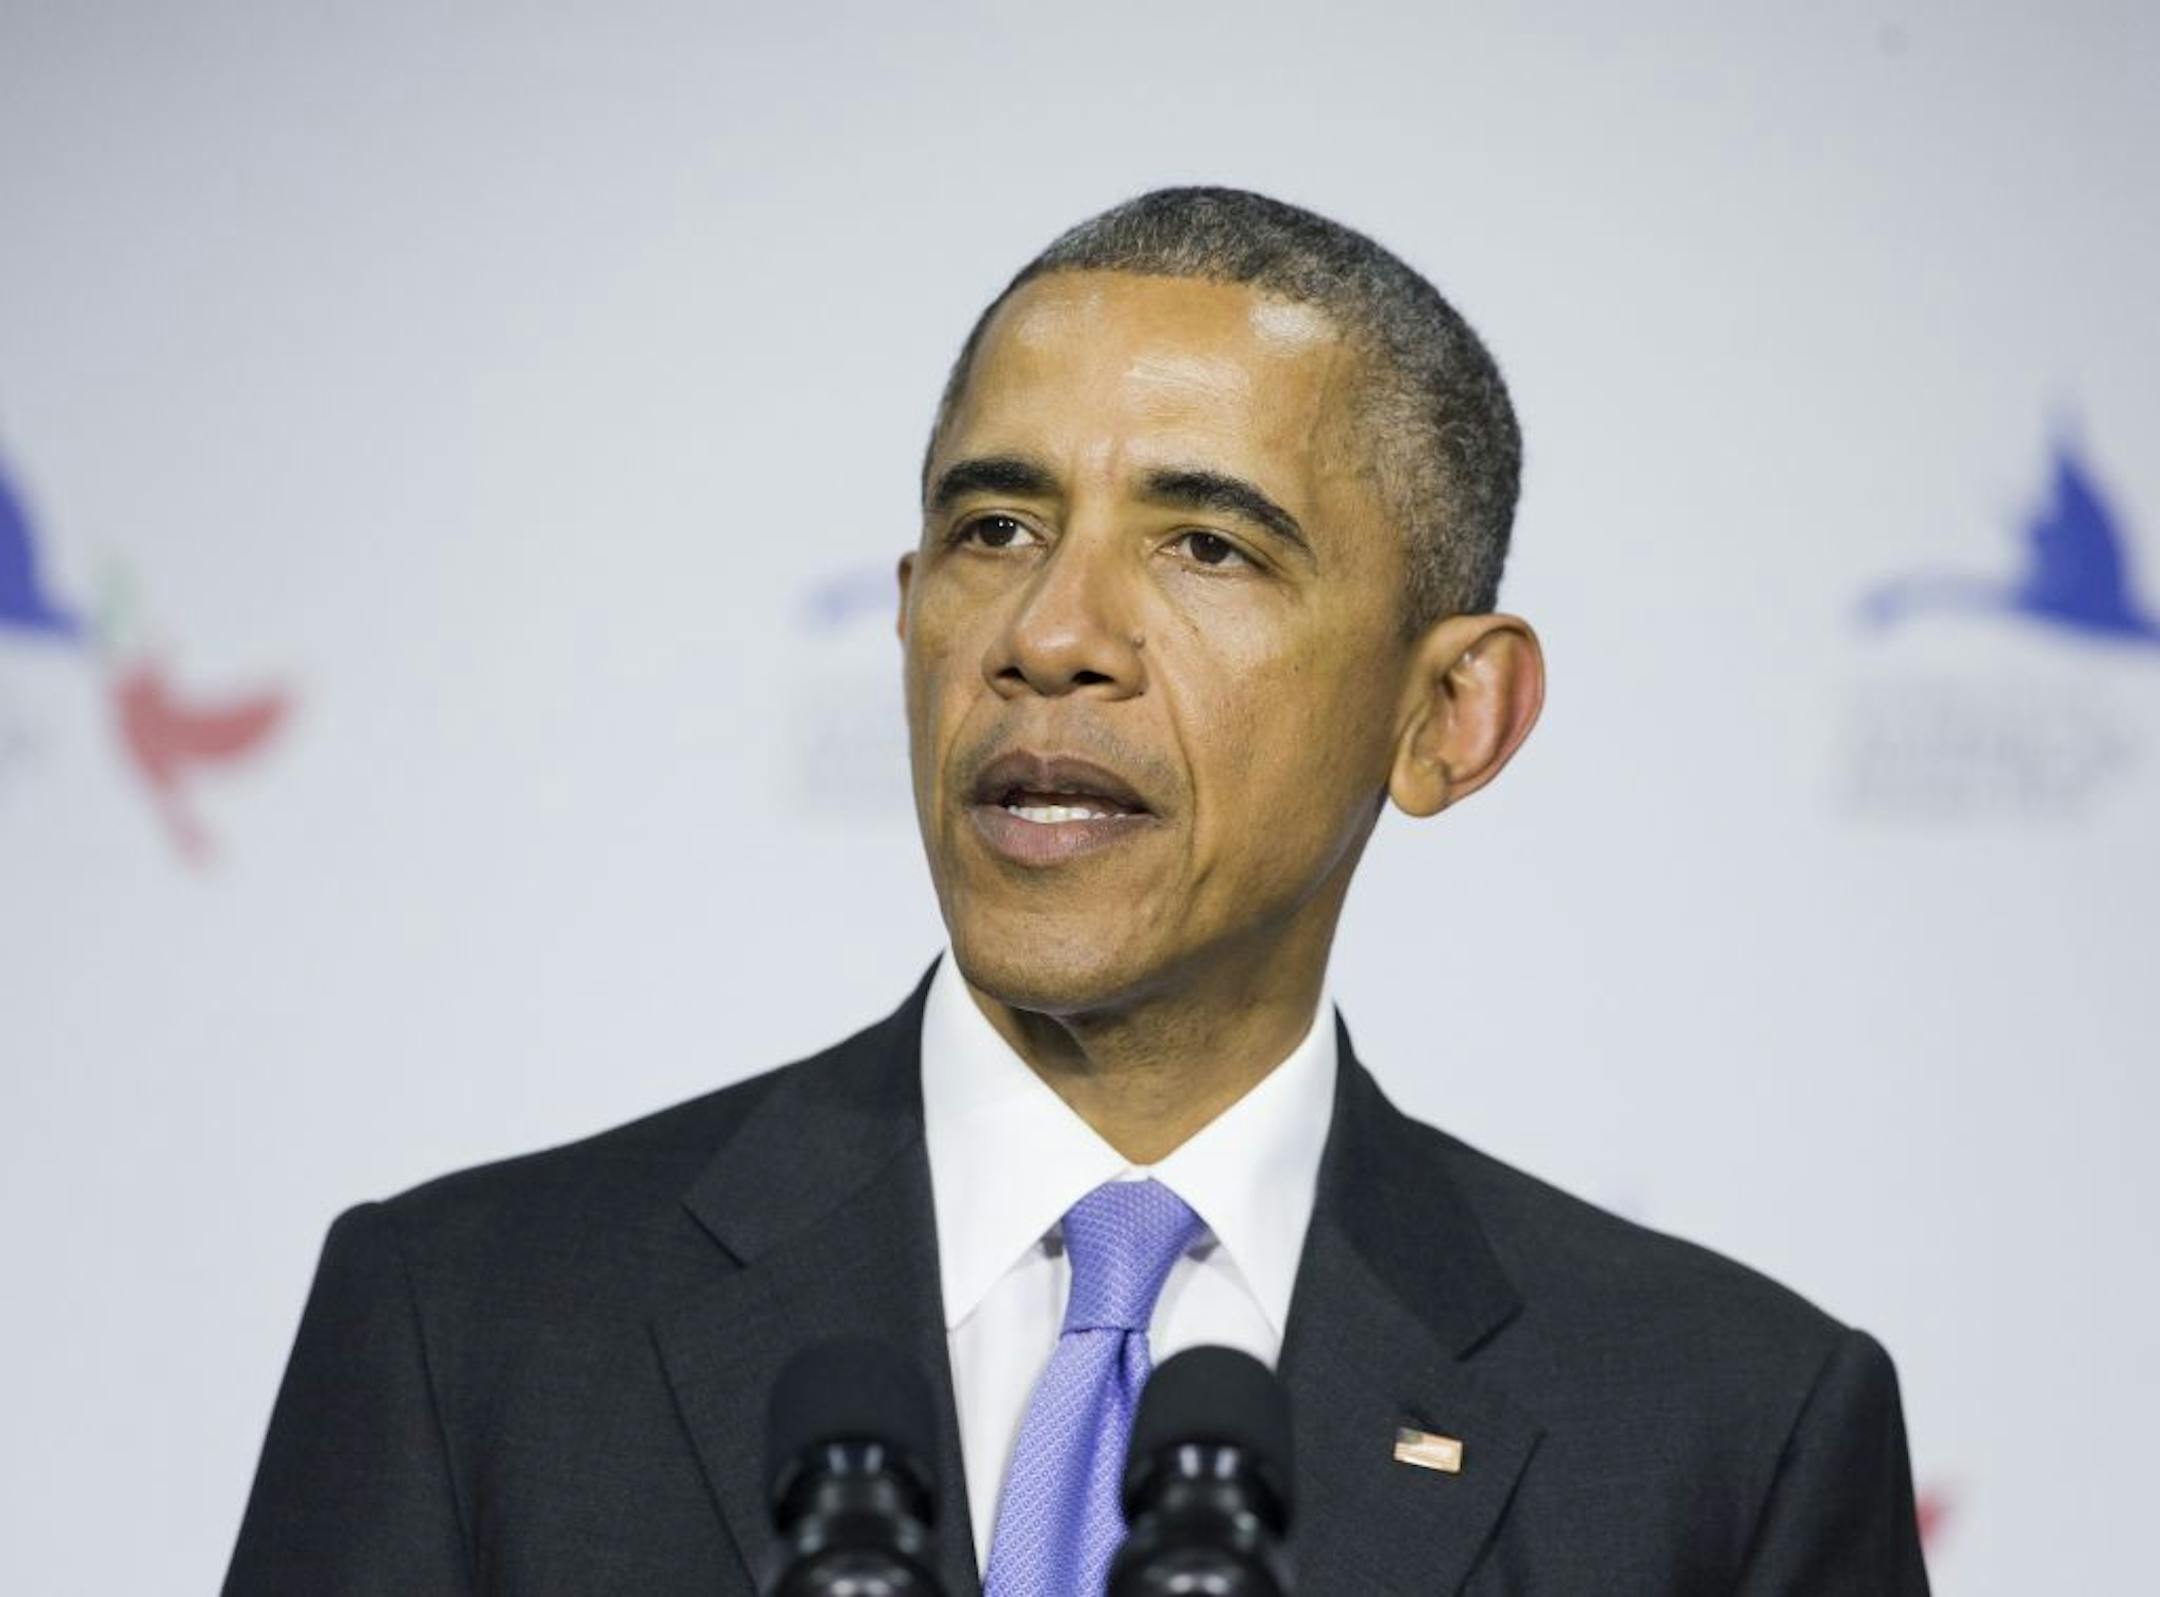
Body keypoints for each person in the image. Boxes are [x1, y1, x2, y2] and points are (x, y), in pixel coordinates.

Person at [224, 188, 1930, 1596]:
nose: (1049, 634)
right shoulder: (467, 1330)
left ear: (1449, 714)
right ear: (908, 611)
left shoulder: (1730, 1435)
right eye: (994, 529)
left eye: (1207, 544)